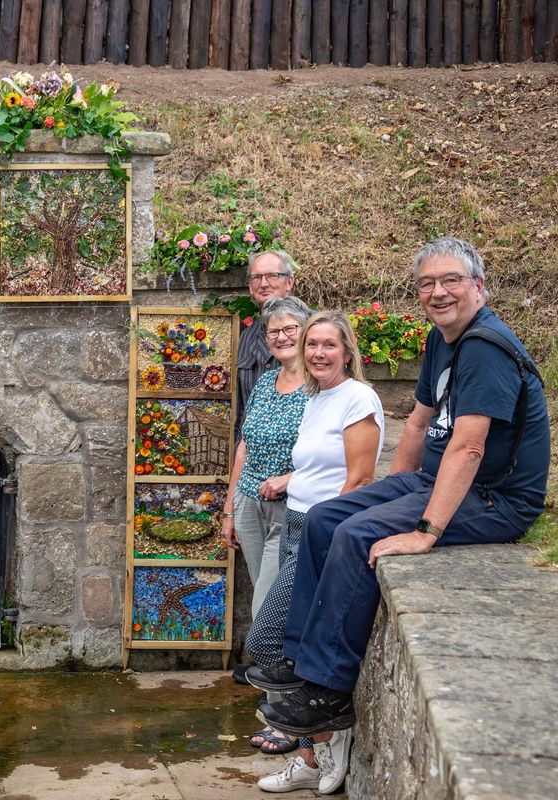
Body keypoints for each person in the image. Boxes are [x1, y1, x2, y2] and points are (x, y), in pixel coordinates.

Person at [256, 238, 550, 759]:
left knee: (355, 534)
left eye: (451, 281)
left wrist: (424, 530)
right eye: (427, 284)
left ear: (478, 286)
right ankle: (299, 660)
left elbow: (470, 445)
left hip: (493, 498)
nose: (438, 293)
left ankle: (328, 691)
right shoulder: (445, 338)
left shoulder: (485, 348)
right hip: (431, 482)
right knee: (326, 518)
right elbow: (417, 420)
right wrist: (397, 490)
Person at [244, 311, 385, 794]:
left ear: (347, 352)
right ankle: (310, 755)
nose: (318, 353)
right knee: (290, 646)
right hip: (295, 520)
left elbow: (359, 482)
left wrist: (334, 545)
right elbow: (312, 467)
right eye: (312, 345)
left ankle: (329, 734)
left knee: (266, 644)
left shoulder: (358, 398)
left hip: (325, 532)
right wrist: (288, 481)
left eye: (328, 345)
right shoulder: (316, 397)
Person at [218, 296, 312, 755]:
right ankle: (280, 703)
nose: (282, 337)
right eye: (274, 331)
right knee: (266, 602)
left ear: (307, 331)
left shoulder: (321, 389)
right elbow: (244, 445)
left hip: (291, 511)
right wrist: (230, 508)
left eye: (290, 328)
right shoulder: (267, 382)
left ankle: (282, 718)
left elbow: (335, 458)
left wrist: (288, 479)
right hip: (251, 505)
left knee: (267, 612)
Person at [235, 250, 298, 435]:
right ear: (250, 286)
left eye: (272, 276)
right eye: (256, 277)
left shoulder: (311, 330)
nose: (263, 284)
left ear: (289, 282)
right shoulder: (246, 337)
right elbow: (241, 411)